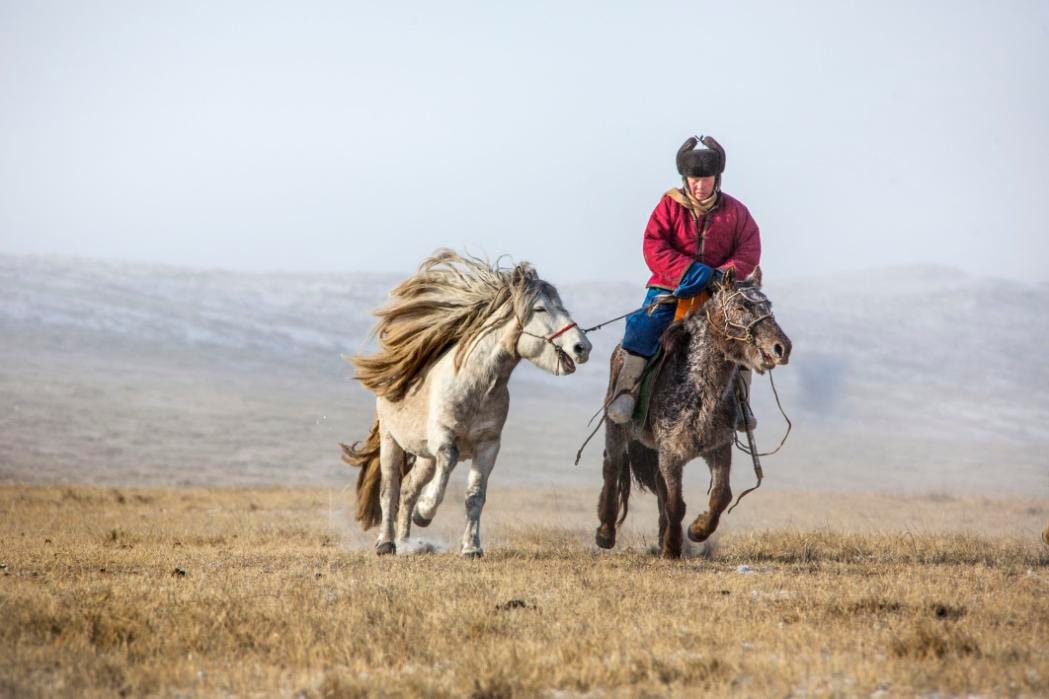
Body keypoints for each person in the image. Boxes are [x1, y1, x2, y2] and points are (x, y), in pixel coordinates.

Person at [606, 135, 761, 428]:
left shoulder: (737, 212)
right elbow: (654, 245)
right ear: (685, 179)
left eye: (705, 179)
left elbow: (749, 250)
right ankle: (627, 392)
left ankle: (741, 402)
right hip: (671, 287)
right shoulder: (668, 207)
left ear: (717, 179)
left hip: (719, 293)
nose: (699, 185)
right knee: (643, 325)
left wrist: (722, 274)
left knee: (743, 334)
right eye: (693, 179)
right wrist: (690, 272)